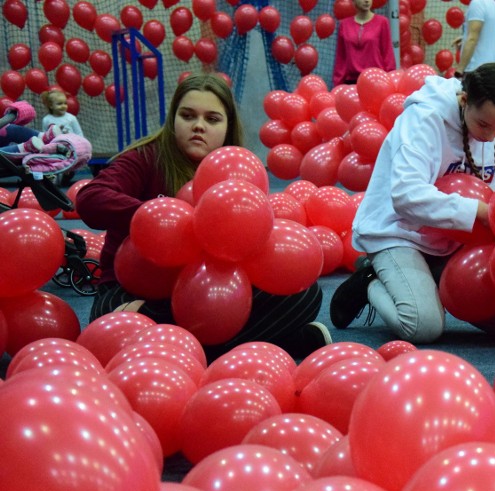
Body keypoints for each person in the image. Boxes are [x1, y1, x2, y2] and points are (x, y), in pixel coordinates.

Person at [76, 72, 331, 360]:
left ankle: (183, 344)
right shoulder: (146, 157)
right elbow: (90, 199)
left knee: (304, 294)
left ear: (227, 127)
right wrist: (166, 220)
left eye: (212, 119)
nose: (198, 126)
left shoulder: (237, 170)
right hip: (135, 290)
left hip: (207, 292)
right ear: (173, 119)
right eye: (188, 116)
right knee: (112, 322)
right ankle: (276, 341)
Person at [329, 62, 495, 343]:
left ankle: (427, 280)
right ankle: (371, 282)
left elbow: (492, 193)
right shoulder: (425, 118)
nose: (489, 135)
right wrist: (479, 211)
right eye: (483, 124)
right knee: (423, 326)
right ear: (464, 100)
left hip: (450, 239)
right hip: (397, 232)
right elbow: (405, 196)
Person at [332, 0, 396, 86]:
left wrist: (390, 80)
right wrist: (338, 84)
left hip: (377, 81)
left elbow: (388, 54)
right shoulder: (344, 25)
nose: (366, 1)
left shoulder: (382, 22)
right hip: (351, 82)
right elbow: (341, 57)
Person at [452, 0, 495, 77]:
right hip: (492, 69)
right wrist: (465, 40)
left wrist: (459, 70)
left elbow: (472, 39)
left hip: (476, 70)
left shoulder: (477, 3)